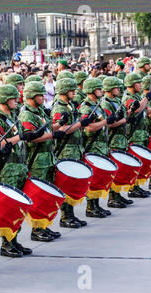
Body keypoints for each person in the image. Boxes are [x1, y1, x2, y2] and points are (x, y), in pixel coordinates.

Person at [0, 84, 39, 257]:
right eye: (13, 98)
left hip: (19, 167)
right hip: (7, 168)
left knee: (17, 207)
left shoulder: (12, 117)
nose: (16, 101)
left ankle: (14, 240)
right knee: (9, 208)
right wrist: (19, 137)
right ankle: (6, 243)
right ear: (3, 100)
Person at [18, 81, 66, 241]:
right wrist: (52, 135)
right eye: (40, 94)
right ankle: (37, 230)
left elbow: (45, 129)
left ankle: (44, 226)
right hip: (37, 161)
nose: (44, 97)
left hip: (47, 158)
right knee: (39, 197)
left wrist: (59, 125)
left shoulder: (38, 112)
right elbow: (30, 138)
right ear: (32, 96)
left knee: (46, 197)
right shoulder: (27, 114)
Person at [51, 78, 92, 228]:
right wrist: (81, 123)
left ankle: (71, 214)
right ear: (64, 91)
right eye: (71, 90)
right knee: (66, 185)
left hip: (75, 149)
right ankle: (65, 216)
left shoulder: (69, 106)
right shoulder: (59, 108)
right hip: (65, 150)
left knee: (73, 184)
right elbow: (61, 130)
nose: (74, 93)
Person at [79, 78, 117, 217]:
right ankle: (90, 207)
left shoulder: (98, 104)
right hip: (93, 146)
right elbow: (88, 128)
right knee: (93, 178)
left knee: (99, 178)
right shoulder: (86, 107)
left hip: (101, 145)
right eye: (99, 89)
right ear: (91, 90)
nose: (102, 91)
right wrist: (107, 121)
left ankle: (96, 205)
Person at [101, 76, 135, 208]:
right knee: (114, 171)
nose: (119, 90)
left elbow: (121, 116)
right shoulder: (105, 103)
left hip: (121, 140)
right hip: (113, 140)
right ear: (109, 89)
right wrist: (124, 120)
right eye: (116, 87)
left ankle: (117, 194)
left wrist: (130, 112)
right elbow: (110, 123)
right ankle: (112, 197)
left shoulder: (116, 100)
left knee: (120, 171)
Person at [122, 73, 151, 198]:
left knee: (140, 162)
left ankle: (136, 186)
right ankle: (132, 188)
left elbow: (146, 111)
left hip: (141, 134)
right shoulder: (128, 98)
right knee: (135, 163)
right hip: (134, 135)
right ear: (131, 84)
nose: (140, 85)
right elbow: (136, 110)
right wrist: (146, 98)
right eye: (138, 83)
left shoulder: (137, 96)